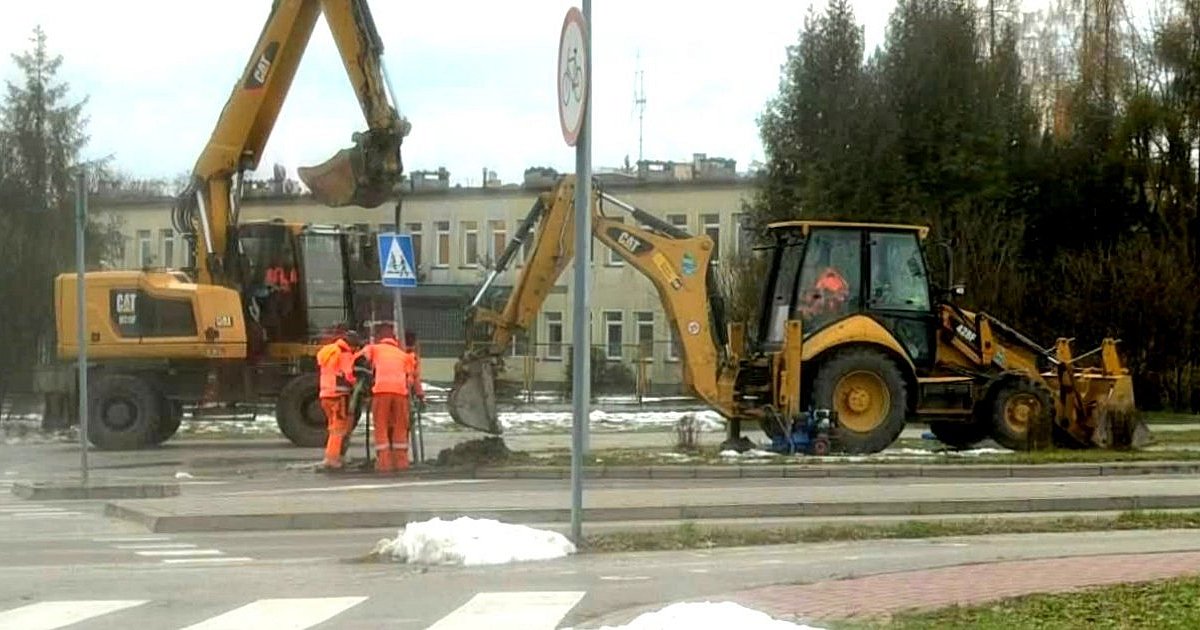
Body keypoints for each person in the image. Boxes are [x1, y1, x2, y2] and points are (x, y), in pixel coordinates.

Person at [357, 325, 416, 472]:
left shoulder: (374, 348)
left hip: (381, 392)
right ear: (394, 340)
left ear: (379, 338)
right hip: (401, 394)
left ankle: (384, 463)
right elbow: (410, 379)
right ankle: (401, 462)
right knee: (400, 426)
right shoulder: (403, 355)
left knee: (381, 426)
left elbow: (359, 360)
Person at [315, 326, 357, 470]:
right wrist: (356, 383)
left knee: (333, 427)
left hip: (325, 395)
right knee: (338, 429)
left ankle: (334, 456)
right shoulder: (344, 353)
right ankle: (332, 459)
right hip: (338, 396)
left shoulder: (328, 351)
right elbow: (348, 375)